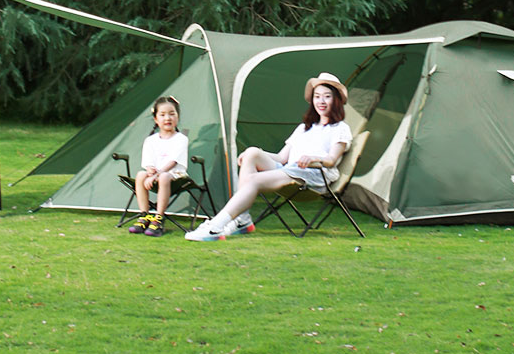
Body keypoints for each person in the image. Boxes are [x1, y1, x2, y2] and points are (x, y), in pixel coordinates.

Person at [185, 72, 352, 241]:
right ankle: (242, 219)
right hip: (291, 170)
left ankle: (216, 226)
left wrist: (313, 158)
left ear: (336, 100)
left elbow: (331, 161)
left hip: (314, 175)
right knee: (252, 153)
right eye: (317, 96)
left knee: (253, 180)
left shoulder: (340, 129)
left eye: (327, 97)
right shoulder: (304, 128)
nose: (321, 101)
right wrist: (254, 152)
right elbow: (281, 158)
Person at [127, 96, 188, 238]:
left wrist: (157, 174)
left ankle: (159, 218)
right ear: (156, 119)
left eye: (172, 114)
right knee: (140, 175)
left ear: (177, 117)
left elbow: (173, 162)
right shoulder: (150, 140)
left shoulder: (181, 139)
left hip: (176, 176)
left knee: (165, 176)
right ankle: (145, 215)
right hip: (156, 177)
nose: (168, 118)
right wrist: (150, 171)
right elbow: (148, 161)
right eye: (162, 115)